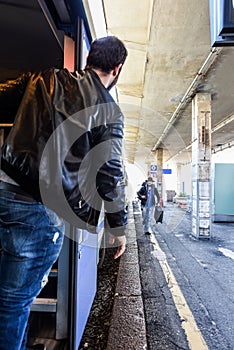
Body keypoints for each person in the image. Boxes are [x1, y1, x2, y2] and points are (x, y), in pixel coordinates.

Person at [0, 36, 128, 350]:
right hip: (39, 211)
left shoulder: (42, 78)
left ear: (88, 60)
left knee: (10, 292)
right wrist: (118, 227)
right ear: (117, 69)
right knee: (13, 301)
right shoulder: (108, 110)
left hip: (4, 190)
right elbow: (110, 173)